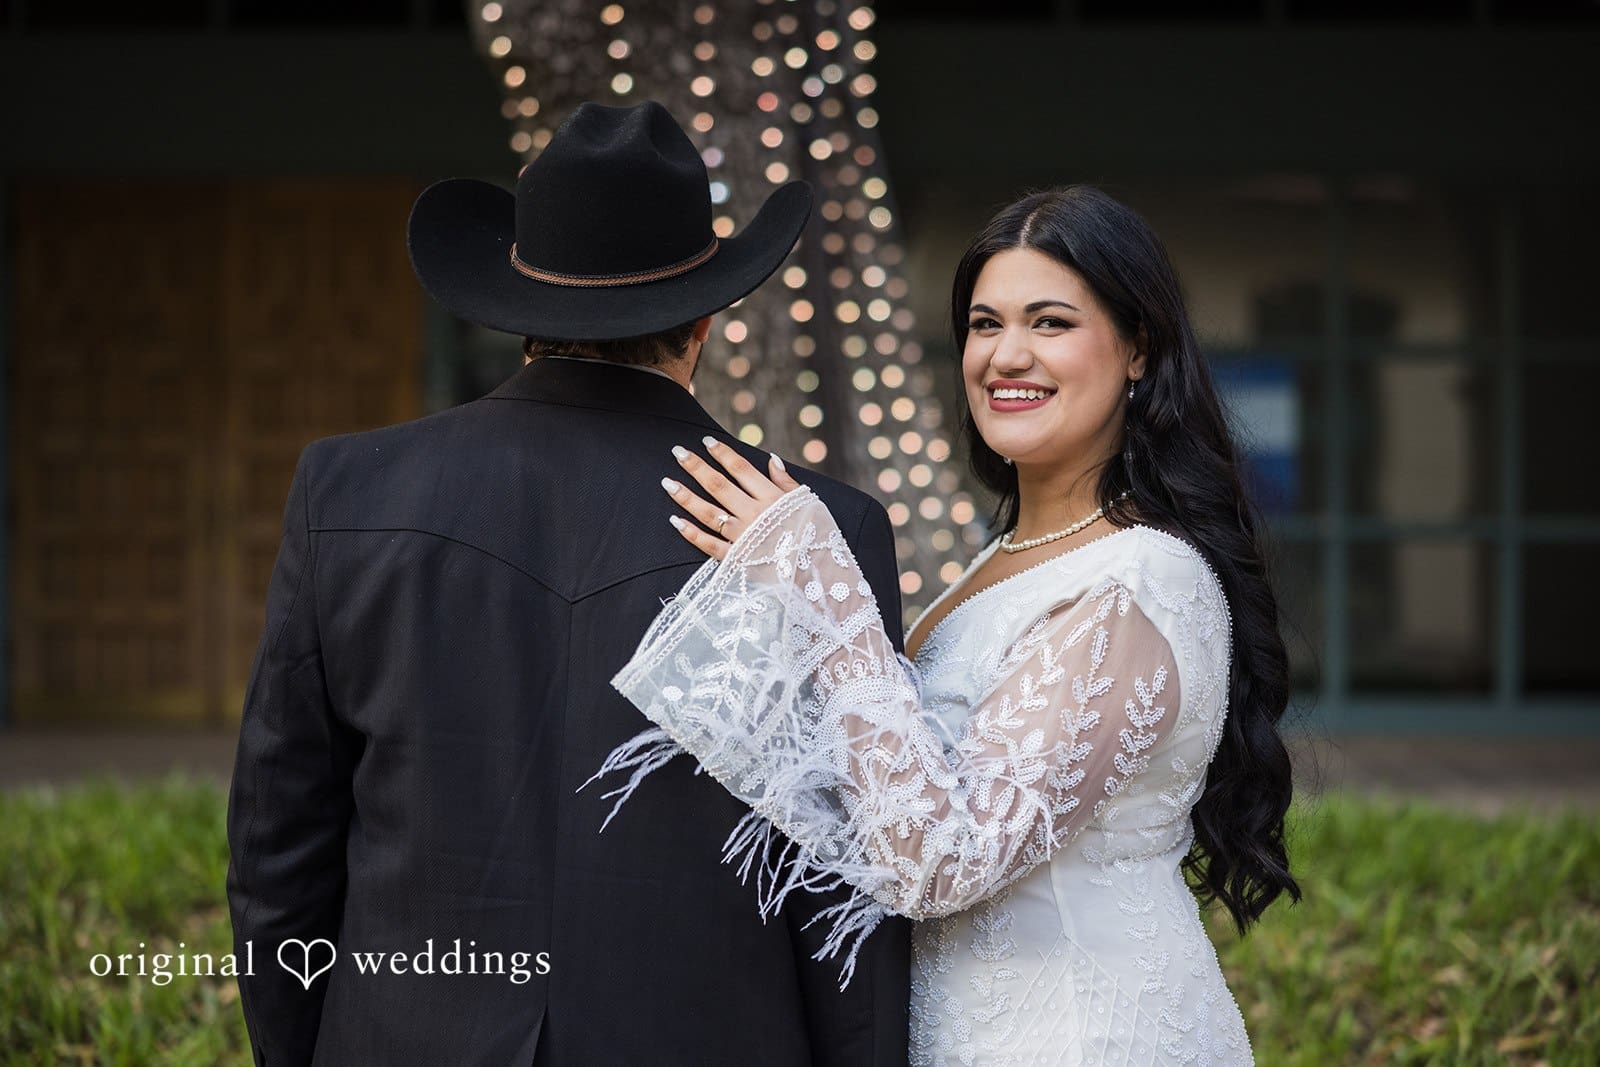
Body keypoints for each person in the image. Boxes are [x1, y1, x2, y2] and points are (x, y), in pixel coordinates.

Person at [225, 100, 911, 1066]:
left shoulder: (345, 493)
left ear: (519, 311)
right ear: (706, 319)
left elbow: (278, 848)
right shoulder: (819, 531)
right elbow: (844, 894)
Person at [589, 185, 1301, 1065]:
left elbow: (940, 860)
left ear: (1138, 348)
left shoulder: (1140, 579)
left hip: (1084, 1034)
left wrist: (826, 588)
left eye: (1050, 323)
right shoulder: (1001, 558)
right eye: (983, 324)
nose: (1006, 355)